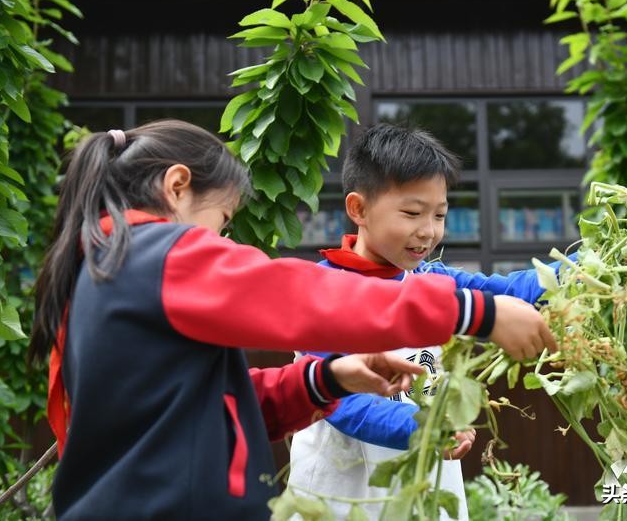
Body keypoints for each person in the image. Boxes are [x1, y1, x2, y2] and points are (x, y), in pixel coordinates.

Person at [28, 120, 558, 520]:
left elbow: (214, 408)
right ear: (177, 186)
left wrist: (324, 378)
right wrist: (475, 312)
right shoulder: (156, 256)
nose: (224, 242)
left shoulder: (112, 268)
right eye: (223, 223)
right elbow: (298, 295)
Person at [288, 124, 571, 520]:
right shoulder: (321, 289)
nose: (428, 231)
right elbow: (342, 402)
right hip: (342, 497)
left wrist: (591, 264)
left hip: (426, 489)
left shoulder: (433, 279)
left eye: (439, 215)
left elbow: (513, 292)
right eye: (412, 213)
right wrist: (424, 428)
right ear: (359, 209)